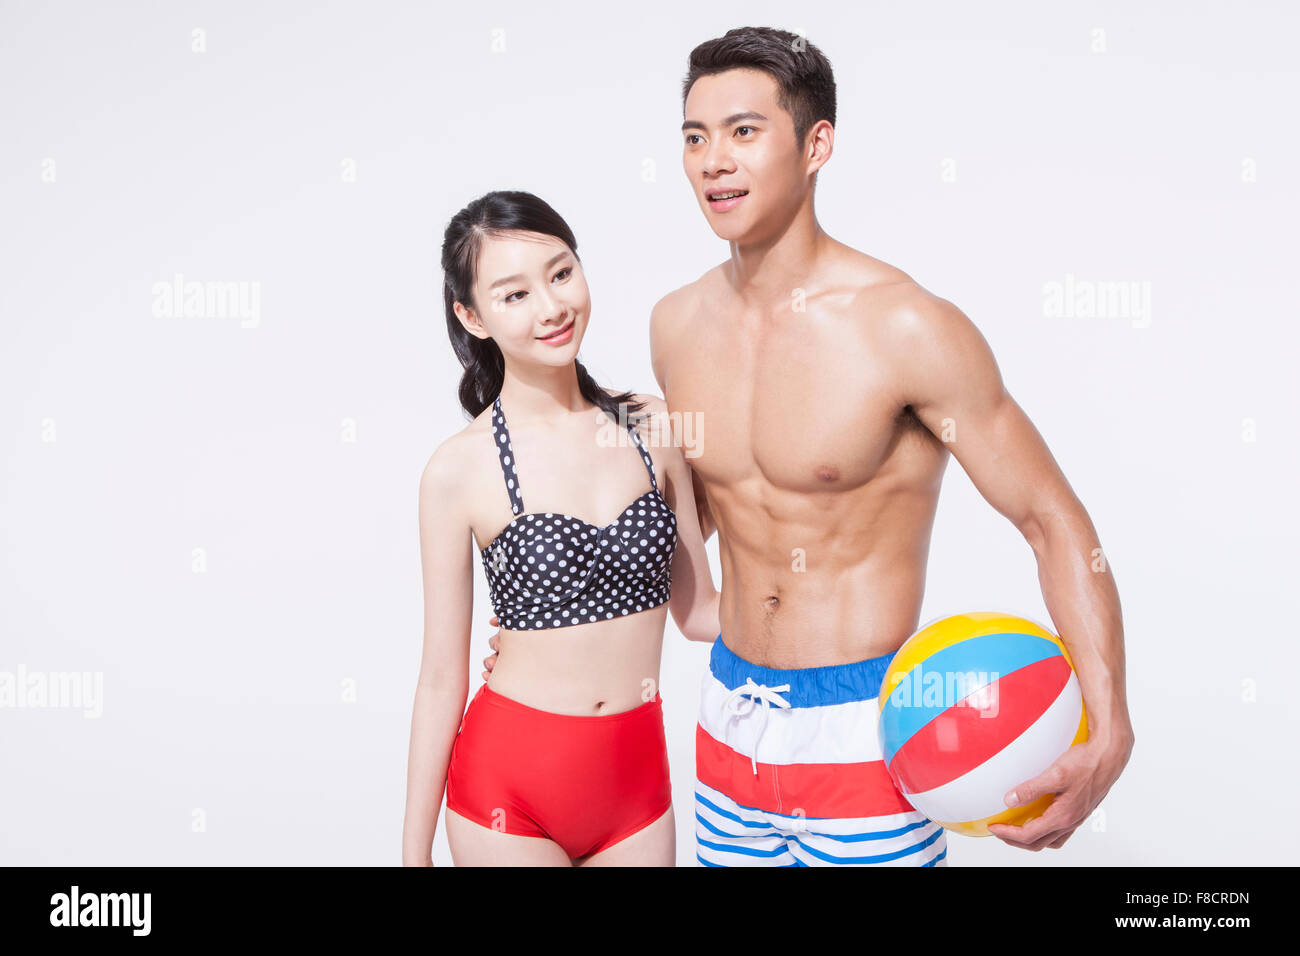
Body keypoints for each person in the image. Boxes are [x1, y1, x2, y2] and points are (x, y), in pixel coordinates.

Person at [645, 26, 1136, 866]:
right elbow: (705, 524)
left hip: (873, 731)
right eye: (695, 137)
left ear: (816, 144)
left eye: (743, 131)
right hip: (728, 718)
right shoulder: (676, 325)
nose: (713, 161)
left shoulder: (906, 327)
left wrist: (1112, 723)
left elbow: (1050, 518)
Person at [400, 190, 720, 867]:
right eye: (513, 295)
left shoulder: (651, 426)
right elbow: (439, 676)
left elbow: (701, 615)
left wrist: (822, 583)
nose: (551, 308)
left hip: (636, 787)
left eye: (560, 273)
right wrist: (412, 853)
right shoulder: (459, 469)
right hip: (507, 791)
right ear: (472, 316)